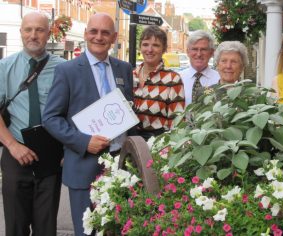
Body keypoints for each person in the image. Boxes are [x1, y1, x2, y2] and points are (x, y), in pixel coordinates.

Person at [42, 13, 133, 235]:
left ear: (113, 37)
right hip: (84, 167)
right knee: (87, 231)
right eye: (94, 31)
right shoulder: (67, 70)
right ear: (85, 34)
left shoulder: (124, 69)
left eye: (105, 33)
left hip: (119, 167)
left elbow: (127, 111)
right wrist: (83, 141)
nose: (99, 37)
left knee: (118, 229)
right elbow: (50, 118)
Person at [0, 12, 65, 236]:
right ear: (21, 32)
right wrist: (13, 146)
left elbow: (74, 112)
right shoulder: (4, 67)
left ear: (49, 33)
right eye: (28, 29)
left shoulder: (64, 69)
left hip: (50, 156)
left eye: (39, 30)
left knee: (46, 228)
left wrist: (68, 148)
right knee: (16, 227)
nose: (33, 35)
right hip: (15, 154)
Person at [132, 25, 185, 140]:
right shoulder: (130, 75)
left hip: (155, 146)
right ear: (140, 47)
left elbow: (177, 122)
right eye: (145, 44)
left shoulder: (172, 79)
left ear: (164, 49)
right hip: (127, 144)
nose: (149, 50)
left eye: (155, 45)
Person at [179, 30, 220, 106]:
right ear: (188, 52)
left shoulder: (219, 80)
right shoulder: (177, 79)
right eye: (195, 49)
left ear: (211, 53)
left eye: (203, 49)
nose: (199, 54)